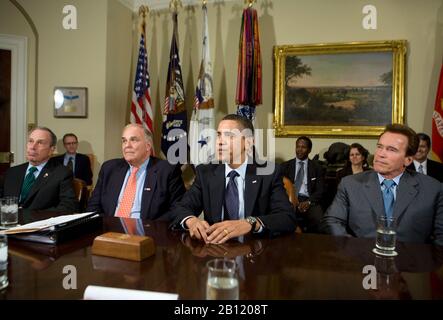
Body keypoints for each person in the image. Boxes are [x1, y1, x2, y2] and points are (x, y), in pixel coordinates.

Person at [170, 114, 296, 244]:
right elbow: (180, 207)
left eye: (229, 136)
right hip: (215, 252)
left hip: (254, 250)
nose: (220, 142)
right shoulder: (206, 172)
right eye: (218, 135)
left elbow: (287, 218)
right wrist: (192, 221)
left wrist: (251, 223)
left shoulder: (268, 173)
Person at [321, 124, 443, 245]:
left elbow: (440, 237)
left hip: (412, 261)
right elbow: (333, 220)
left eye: (391, 149)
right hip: (361, 258)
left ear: (408, 160)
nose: (380, 154)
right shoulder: (350, 184)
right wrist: (353, 249)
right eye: (380, 147)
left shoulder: (433, 189)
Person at [86, 124, 186, 220]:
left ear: (148, 146)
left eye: (133, 140)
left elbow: (177, 209)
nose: (127, 145)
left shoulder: (167, 170)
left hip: (147, 231)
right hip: (109, 231)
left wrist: (148, 229)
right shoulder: (109, 168)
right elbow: (93, 206)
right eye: (124, 141)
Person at [1, 127, 77, 212]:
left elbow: (68, 207)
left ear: (51, 150)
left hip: (39, 223)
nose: (33, 147)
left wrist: (32, 217)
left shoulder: (62, 173)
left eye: (40, 142)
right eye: (30, 141)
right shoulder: (12, 172)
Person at [280, 136, 325, 233]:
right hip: (289, 199)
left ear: (309, 150)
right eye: (298, 146)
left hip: (309, 200)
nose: (299, 150)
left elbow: (320, 190)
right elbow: (279, 188)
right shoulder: (285, 166)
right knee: (281, 217)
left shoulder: (317, 168)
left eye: (303, 147)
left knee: (318, 219)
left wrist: (308, 202)